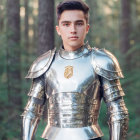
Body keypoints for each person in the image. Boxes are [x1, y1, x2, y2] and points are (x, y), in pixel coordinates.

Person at [21, 0, 129, 140]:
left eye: (79, 23)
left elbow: (117, 110)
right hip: (53, 136)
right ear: (58, 29)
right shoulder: (44, 63)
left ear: (87, 27)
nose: (73, 30)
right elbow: (32, 111)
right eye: (66, 24)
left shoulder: (102, 61)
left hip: (90, 136)